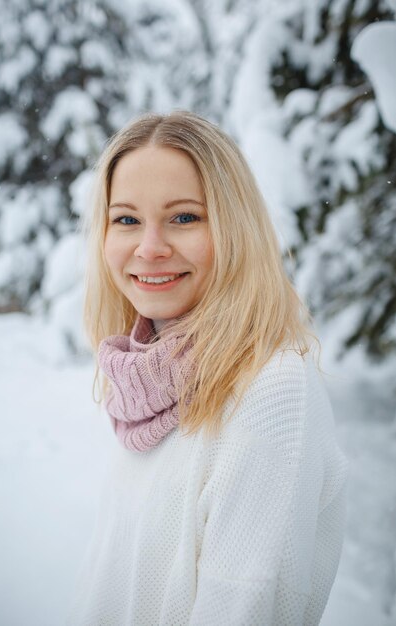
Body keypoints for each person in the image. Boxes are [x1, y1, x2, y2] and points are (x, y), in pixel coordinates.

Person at [65, 110, 350, 625]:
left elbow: (245, 604)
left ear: (234, 228)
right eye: (126, 219)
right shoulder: (149, 385)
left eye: (184, 217)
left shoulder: (270, 390)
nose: (149, 248)